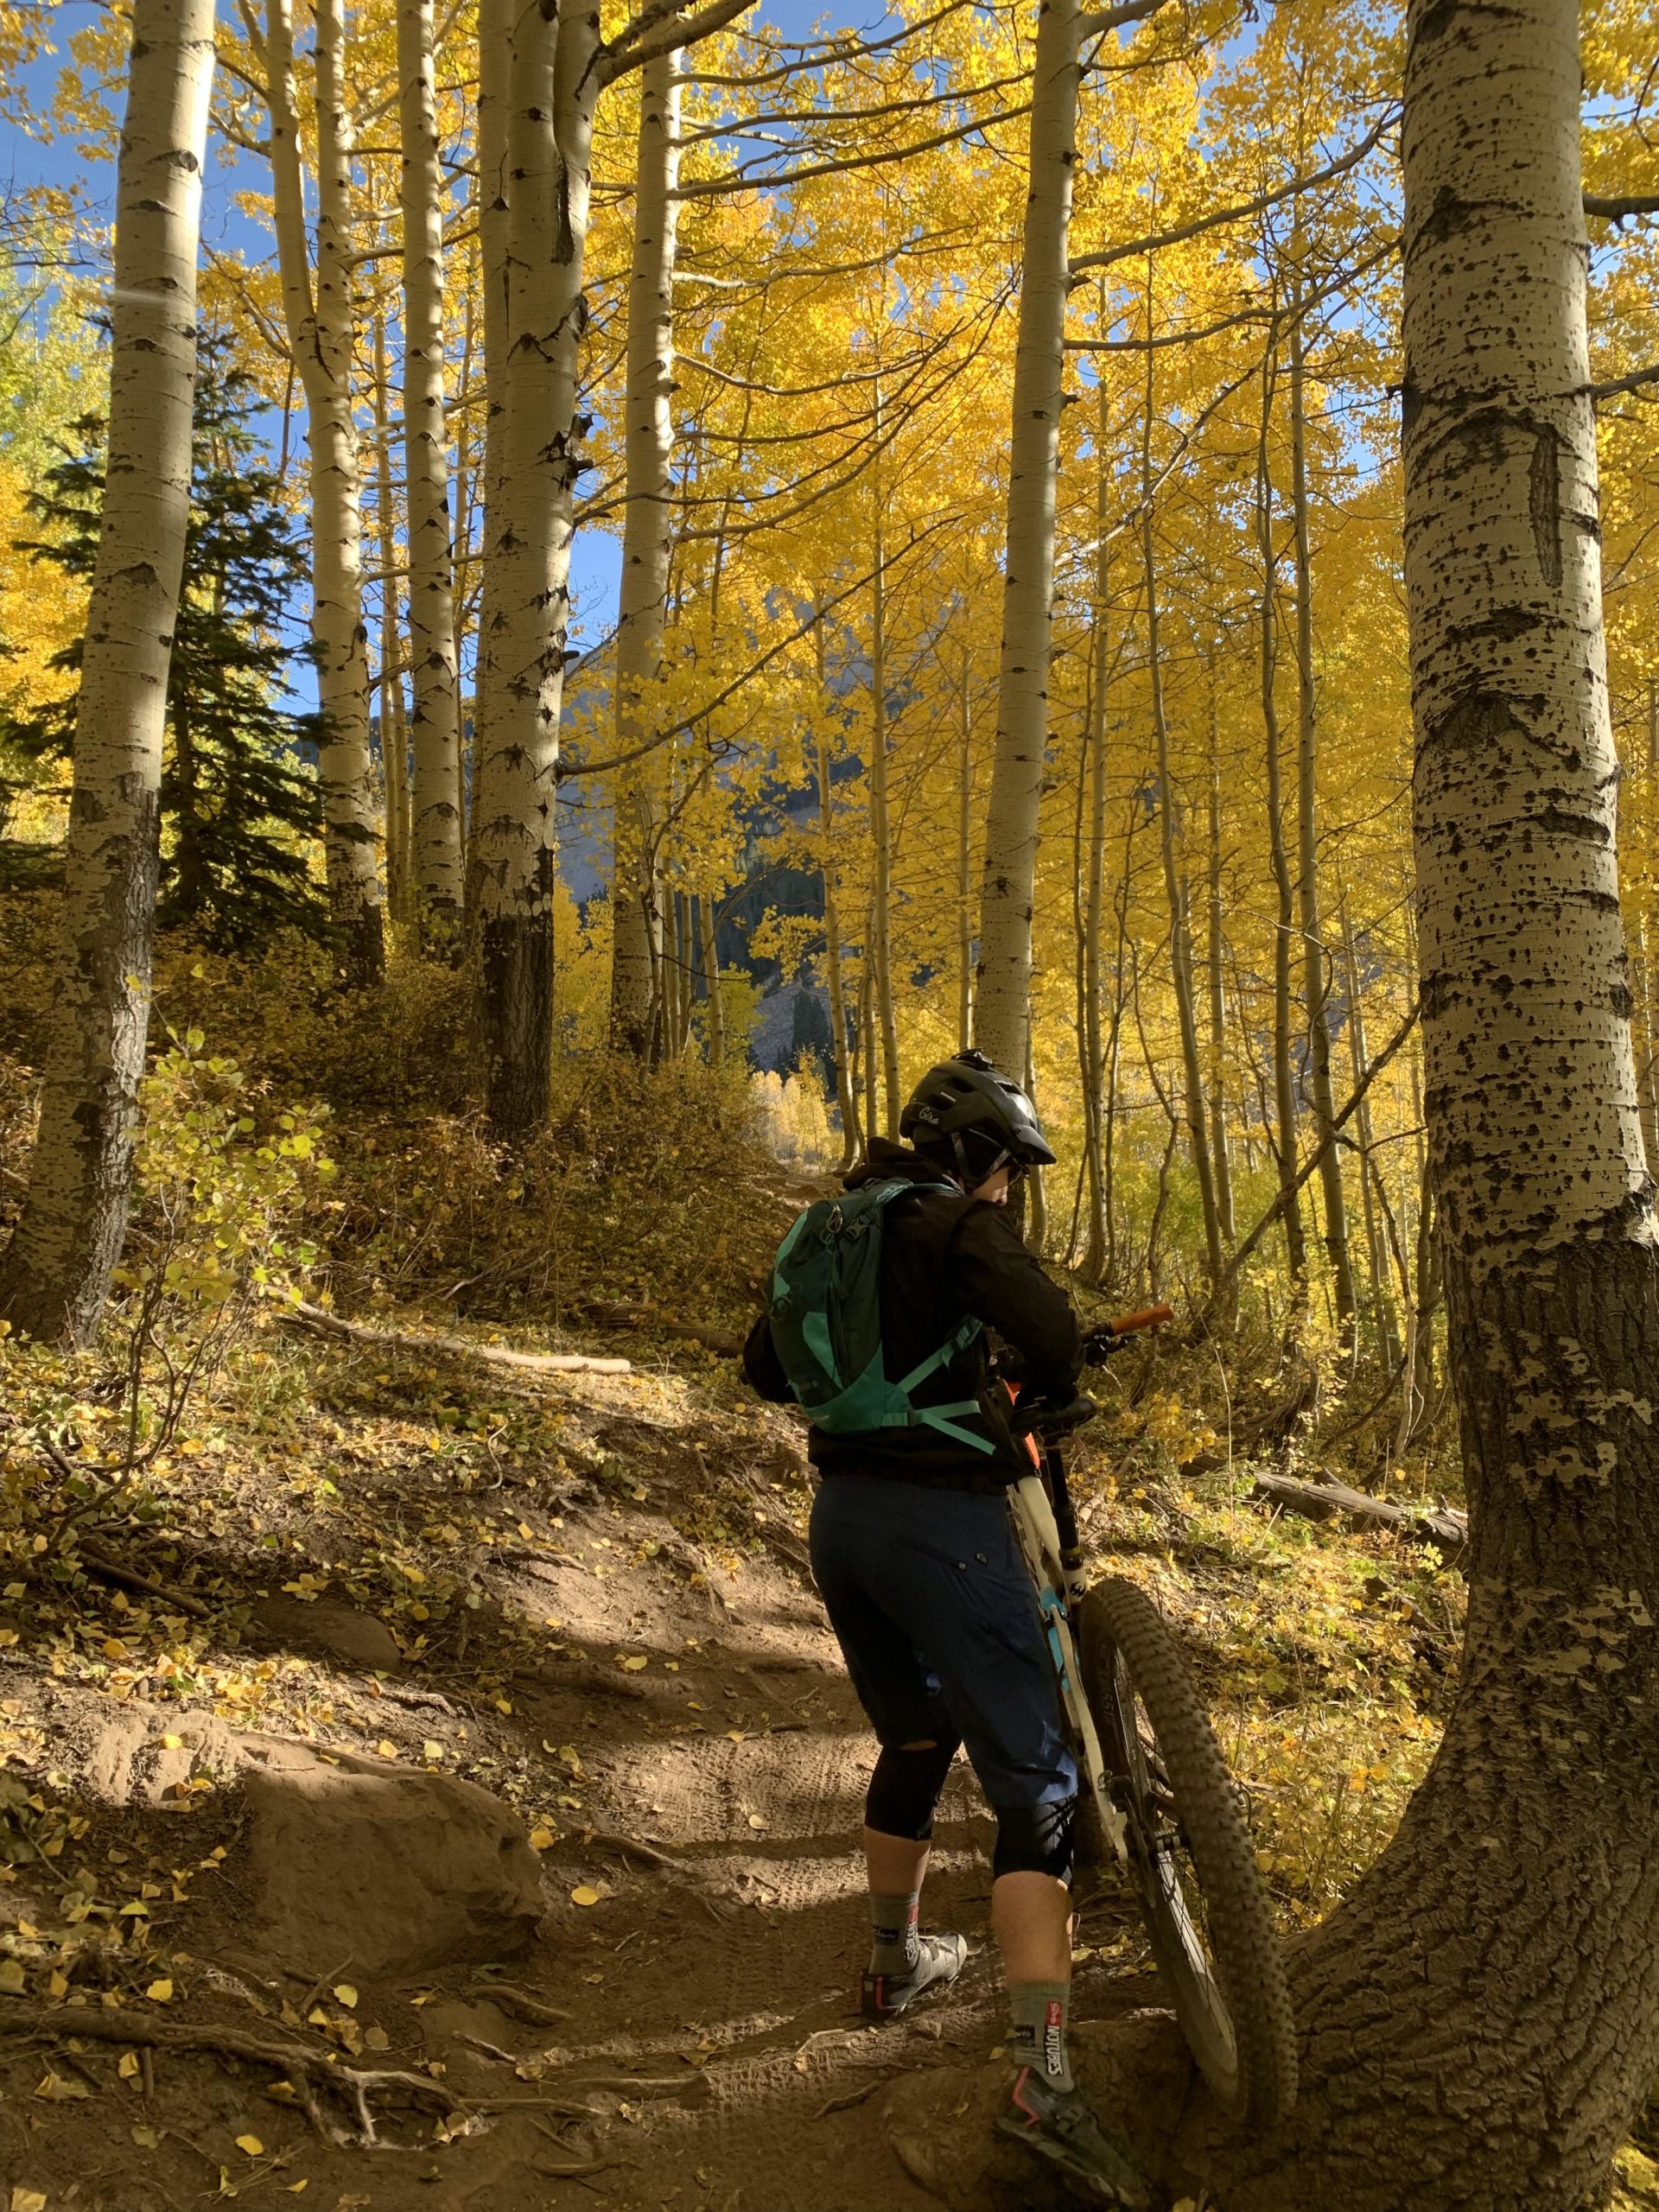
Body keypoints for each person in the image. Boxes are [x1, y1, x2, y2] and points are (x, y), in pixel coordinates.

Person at [742, 1050, 1146, 2206]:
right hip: (943, 1527)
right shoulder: (951, 1222)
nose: (1010, 1192)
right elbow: (1051, 1336)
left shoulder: (827, 1227)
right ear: (973, 1153)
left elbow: (766, 1368)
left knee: (917, 1737)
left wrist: (896, 1378)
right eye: (1010, 1169)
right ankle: (1042, 2082)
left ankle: (891, 1963)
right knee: (1041, 1788)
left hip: (841, 1523)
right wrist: (1028, 1369)